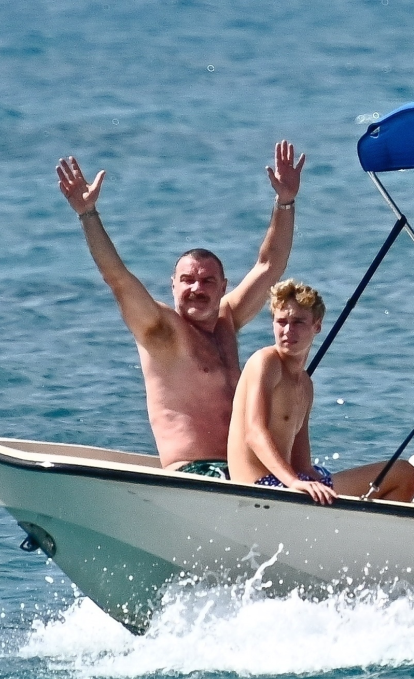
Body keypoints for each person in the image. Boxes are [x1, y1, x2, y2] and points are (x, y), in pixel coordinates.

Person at [56, 141, 306, 474]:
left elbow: (269, 265)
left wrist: (285, 201)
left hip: (243, 472)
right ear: (173, 285)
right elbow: (118, 278)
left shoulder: (227, 321)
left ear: (223, 287)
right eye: (187, 280)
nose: (196, 289)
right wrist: (88, 214)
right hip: (196, 472)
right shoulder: (161, 330)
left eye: (207, 281)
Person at [227, 279, 414, 503]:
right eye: (281, 321)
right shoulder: (266, 362)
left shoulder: (305, 385)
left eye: (298, 322)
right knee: (401, 474)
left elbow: (302, 465)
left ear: (317, 326)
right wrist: (294, 482)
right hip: (260, 486)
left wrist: (314, 481)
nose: (287, 330)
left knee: (404, 475)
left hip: (289, 480)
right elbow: (254, 432)